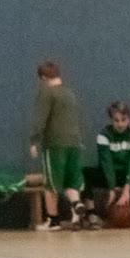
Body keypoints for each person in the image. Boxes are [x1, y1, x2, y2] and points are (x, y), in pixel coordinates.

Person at [29, 60, 87, 229]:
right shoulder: (70, 94)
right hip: (74, 143)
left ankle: (53, 220)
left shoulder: (47, 94)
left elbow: (40, 119)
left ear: (43, 78)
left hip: (55, 144)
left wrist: (34, 140)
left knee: (51, 184)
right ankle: (76, 206)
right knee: (71, 181)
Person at [92, 102, 130, 220]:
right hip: (110, 174)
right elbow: (107, 163)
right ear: (111, 120)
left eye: (123, 120)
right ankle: (91, 213)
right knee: (86, 174)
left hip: (127, 174)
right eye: (116, 120)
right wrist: (112, 188)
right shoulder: (103, 135)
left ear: (129, 119)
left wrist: (126, 189)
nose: (120, 124)